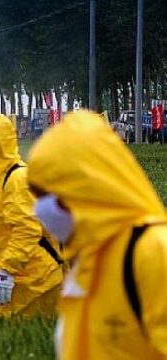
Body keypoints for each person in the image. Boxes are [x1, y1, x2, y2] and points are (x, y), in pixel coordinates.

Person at [28, 110, 167, 359]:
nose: (40, 209)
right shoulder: (87, 261)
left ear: (86, 189)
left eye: (50, 195)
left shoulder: (153, 251)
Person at [0, 114, 63, 320]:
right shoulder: (3, 179)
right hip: (26, 275)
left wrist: (7, 270)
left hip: (36, 279)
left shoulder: (16, 179)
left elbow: (27, 230)